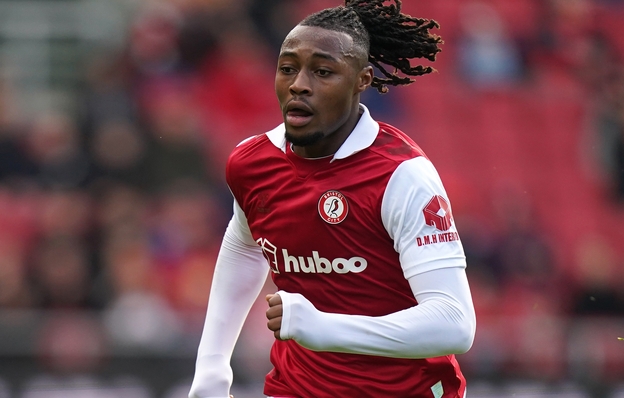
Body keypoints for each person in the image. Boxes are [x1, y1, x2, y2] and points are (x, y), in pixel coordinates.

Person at [188, 1, 476, 397]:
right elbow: (244, 246)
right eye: (288, 68)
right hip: (294, 388)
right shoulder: (252, 162)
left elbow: (454, 324)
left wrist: (322, 327)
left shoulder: (403, 176)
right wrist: (213, 365)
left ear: (362, 80)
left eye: (322, 72)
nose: (299, 84)